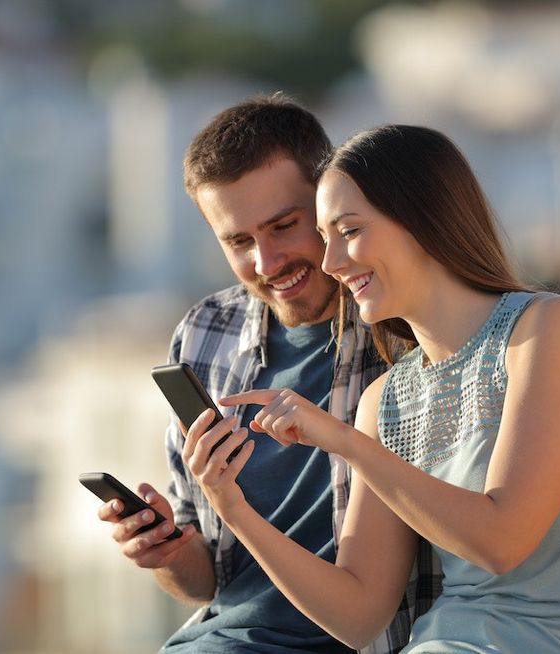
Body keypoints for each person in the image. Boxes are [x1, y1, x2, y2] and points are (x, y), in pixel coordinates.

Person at [189, 124, 560, 651]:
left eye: (350, 231)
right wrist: (233, 508)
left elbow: (502, 540)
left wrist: (346, 443)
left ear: (421, 218)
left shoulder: (549, 330)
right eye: (326, 237)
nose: (332, 263)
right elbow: (358, 615)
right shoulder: (385, 399)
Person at [96, 98, 441, 651]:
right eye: (238, 241)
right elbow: (205, 581)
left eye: (284, 226)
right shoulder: (206, 332)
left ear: (329, 202)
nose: (267, 261)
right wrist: (166, 552)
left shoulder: (405, 327)